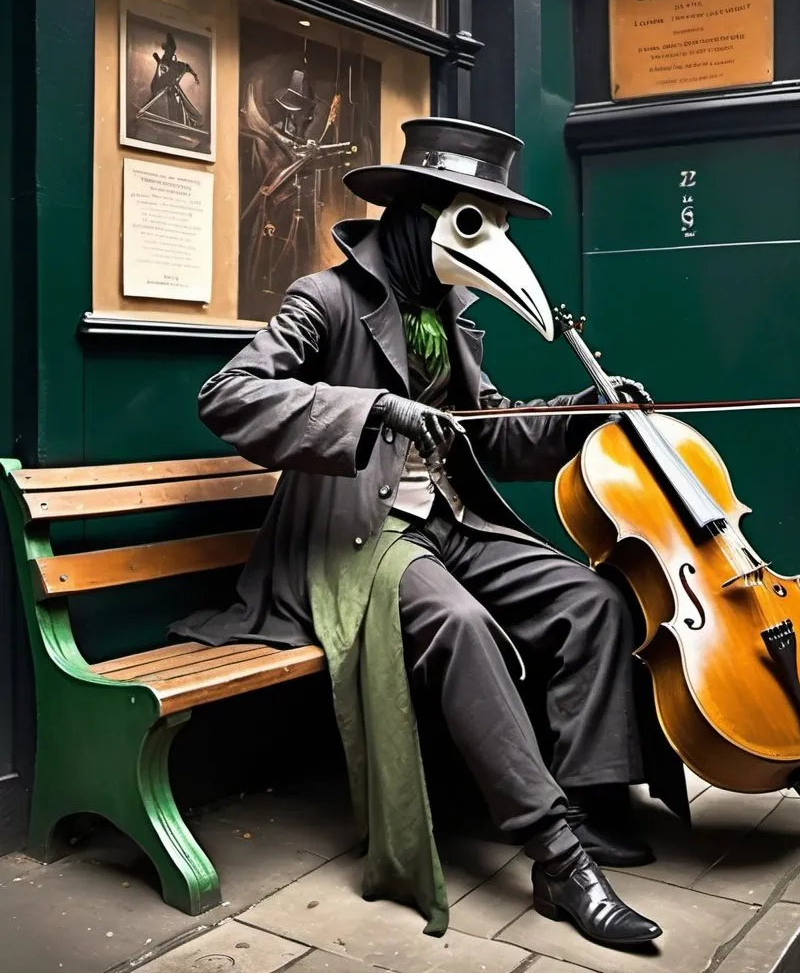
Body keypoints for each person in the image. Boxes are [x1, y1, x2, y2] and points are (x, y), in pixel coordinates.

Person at [170, 117, 665, 948]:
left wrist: (585, 414)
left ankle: (591, 797)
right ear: (412, 212)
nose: (489, 238)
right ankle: (557, 856)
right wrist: (367, 409)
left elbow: (493, 433)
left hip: (451, 524)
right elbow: (228, 394)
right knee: (463, 625)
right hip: (357, 540)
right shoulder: (325, 299)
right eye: (472, 217)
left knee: (589, 599)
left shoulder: (456, 321)